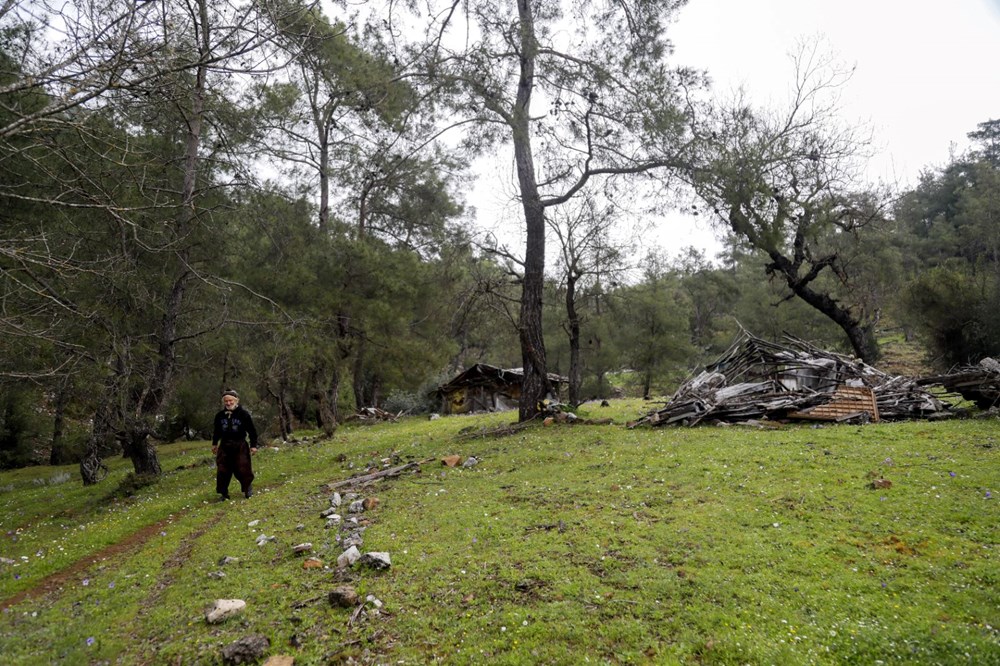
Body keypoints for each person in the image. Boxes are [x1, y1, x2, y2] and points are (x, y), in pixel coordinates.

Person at [211, 390, 259, 500]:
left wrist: (253, 445)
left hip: (240, 445)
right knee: (223, 470)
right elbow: (216, 431)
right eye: (226, 401)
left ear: (236, 400)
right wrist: (214, 444)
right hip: (224, 446)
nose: (228, 403)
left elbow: (252, 431)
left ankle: (247, 488)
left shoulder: (244, 414)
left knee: (243, 468)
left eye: (230, 400)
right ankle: (224, 493)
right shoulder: (219, 416)